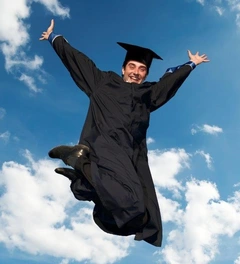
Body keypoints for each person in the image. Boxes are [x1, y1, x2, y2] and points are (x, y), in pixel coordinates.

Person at [40, 19, 209, 247]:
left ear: (146, 74)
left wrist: (191, 64)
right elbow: (77, 61)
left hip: (131, 154)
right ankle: (82, 164)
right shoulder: (103, 82)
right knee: (132, 204)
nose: (136, 73)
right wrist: (54, 38)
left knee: (140, 218)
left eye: (142, 70)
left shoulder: (147, 94)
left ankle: (85, 182)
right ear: (123, 68)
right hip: (103, 145)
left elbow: (169, 83)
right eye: (132, 67)